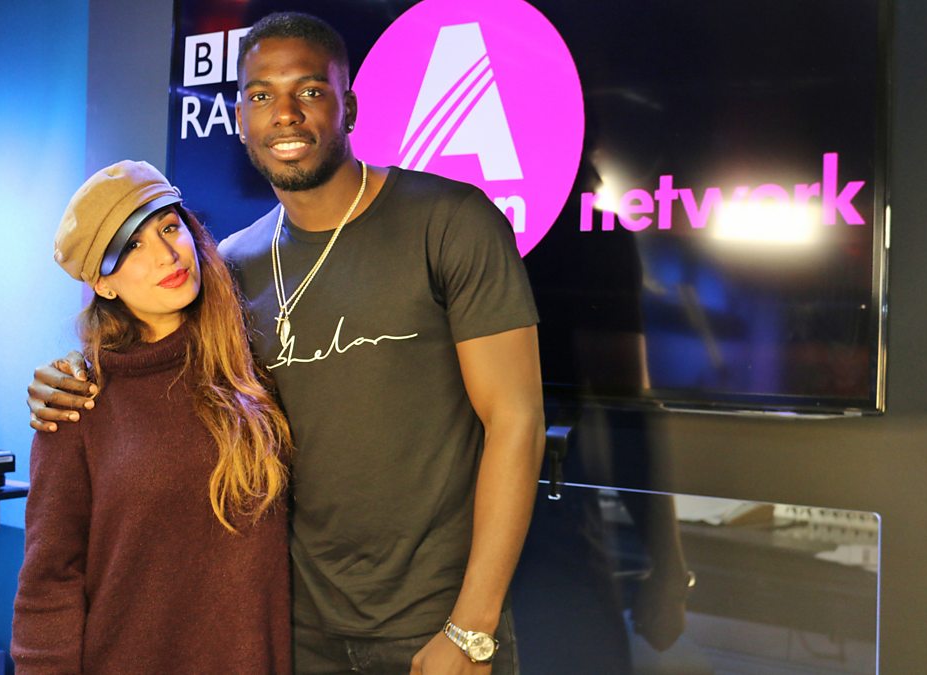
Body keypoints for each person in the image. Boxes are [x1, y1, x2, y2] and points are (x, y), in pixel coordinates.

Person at [29, 13, 545, 674]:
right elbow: (146, 362)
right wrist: (67, 377)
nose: (286, 114)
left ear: (348, 105)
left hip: (436, 623)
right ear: (240, 119)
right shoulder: (230, 269)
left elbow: (517, 420)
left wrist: (472, 626)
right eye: (261, 95)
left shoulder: (450, 222)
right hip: (295, 633)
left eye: (309, 90)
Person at [12, 160, 293, 674]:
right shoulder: (79, 402)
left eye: (168, 227)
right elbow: (49, 581)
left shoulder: (251, 365)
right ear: (104, 284)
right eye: (133, 247)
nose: (167, 254)